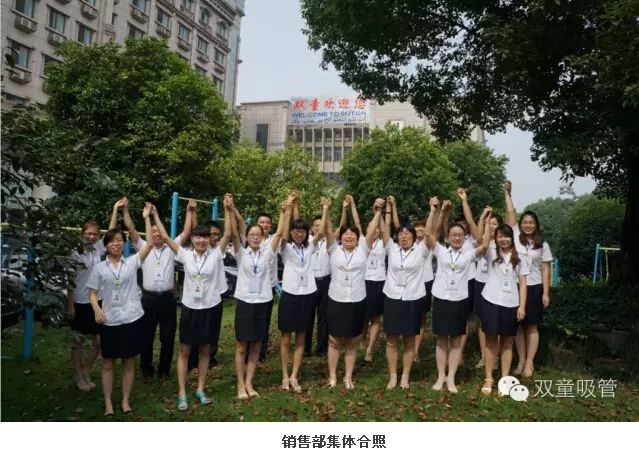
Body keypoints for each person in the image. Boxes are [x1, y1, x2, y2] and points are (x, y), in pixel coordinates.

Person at [158, 198, 232, 411]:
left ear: (210, 239)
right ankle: (182, 392)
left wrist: (227, 208)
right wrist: (153, 216)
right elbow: (165, 237)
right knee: (184, 351)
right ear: (192, 239)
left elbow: (228, 234)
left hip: (210, 307)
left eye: (205, 237)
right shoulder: (185, 255)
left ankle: (200, 388)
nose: (201, 240)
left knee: (205, 351)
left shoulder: (216, 255)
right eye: (198, 237)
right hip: (190, 308)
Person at [86, 203, 153, 416]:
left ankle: (125, 401)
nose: (116, 244)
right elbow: (92, 293)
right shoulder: (99, 268)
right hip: (110, 320)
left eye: (119, 240)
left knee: (128, 361)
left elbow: (150, 244)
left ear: (124, 244)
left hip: (132, 317)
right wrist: (96, 309)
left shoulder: (131, 263)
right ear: (106, 245)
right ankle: (108, 403)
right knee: (107, 363)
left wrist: (146, 217)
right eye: (112, 241)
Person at [425, 197, 489, 394]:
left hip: (459, 299)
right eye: (453, 234)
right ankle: (440, 376)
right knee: (441, 340)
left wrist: (486, 223)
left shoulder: (468, 254)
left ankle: (451, 378)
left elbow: (485, 246)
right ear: (448, 236)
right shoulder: (441, 252)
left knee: (455, 341)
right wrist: (433, 210)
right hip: (441, 298)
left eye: (460, 235)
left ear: (464, 237)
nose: (456, 238)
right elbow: (428, 234)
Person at [323, 197, 381, 388]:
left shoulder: (363, 249)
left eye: (352, 234)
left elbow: (371, 231)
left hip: (357, 299)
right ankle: (332, 376)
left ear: (358, 238)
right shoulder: (333, 249)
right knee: (334, 340)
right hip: (336, 299)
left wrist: (378, 212)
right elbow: (328, 230)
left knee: (352, 341)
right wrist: (326, 209)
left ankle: (348, 376)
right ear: (340, 237)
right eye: (345, 234)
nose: (349, 237)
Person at [134, 199, 193, 381]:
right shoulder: (144, 247)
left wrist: (189, 212)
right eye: (153, 232)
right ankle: (146, 370)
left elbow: (186, 233)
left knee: (167, 337)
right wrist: (146, 217)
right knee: (146, 336)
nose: (156, 234)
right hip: (148, 299)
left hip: (167, 299)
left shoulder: (170, 247)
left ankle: (164, 370)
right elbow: (132, 232)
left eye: (159, 231)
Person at [67, 199, 122, 391]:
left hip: (96, 302)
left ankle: (86, 371)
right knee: (78, 342)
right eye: (88, 233)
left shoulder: (97, 250)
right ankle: (78, 376)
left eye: (94, 234)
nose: (91, 237)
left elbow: (111, 230)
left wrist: (115, 209)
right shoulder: (74, 254)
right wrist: (70, 305)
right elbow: (69, 281)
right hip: (79, 302)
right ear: (82, 234)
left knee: (98, 341)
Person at [231, 199, 285, 399]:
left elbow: (279, 234)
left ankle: (249, 382)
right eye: (252, 234)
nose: (255, 237)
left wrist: (285, 210)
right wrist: (229, 209)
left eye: (258, 235)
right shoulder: (241, 253)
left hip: (263, 301)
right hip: (245, 302)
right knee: (241, 345)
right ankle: (240, 384)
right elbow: (232, 232)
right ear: (247, 237)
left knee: (256, 345)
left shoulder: (267, 253)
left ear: (263, 238)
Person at [381, 196, 431, 390]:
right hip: (392, 297)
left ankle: (405, 376)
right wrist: (382, 210)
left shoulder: (421, 250)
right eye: (401, 234)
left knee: (409, 340)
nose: (404, 237)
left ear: (413, 236)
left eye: (407, 234)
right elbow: (384, 229)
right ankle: (393, 375)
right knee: (392, 340)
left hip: (412, 298)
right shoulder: (392, 249)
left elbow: (431, 231)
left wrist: (433, 210)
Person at [505, 180, 553, 378]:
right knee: (517, 326)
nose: (527, 225)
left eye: (531, 223)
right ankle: (521, 361)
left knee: (531, 326)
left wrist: (545, 293)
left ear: (536, 225)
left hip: (533, 287)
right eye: (525, 222)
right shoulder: (515, 235)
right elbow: (510, 213)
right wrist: (508, 194)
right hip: (515, 286)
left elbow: (545, 270)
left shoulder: (543, 245)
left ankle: (530, 364)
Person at [278, 192, 322, 392]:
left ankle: (294, 375)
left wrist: (325, 210)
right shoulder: (286, 248)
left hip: (308, 294)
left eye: (302, 231)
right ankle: (284, 375)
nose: (299, 234)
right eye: (296, 231)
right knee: (286, 338)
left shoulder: (310, 247)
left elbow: (321, 232)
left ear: (306, 233)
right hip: (290, 294)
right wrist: (287, 210)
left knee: (301, 337)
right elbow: (282, 235)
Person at [479, 222, 529, 395]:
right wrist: (486, 223)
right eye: (500, 236)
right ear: (496, 238)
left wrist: (522, 306)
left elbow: (523, 284)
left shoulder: (520, 258)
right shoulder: (491, 252)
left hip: (511, 302)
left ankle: (505, 380)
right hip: (491, 300)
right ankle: (488, 379)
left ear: (512, 238)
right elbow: (483, 241)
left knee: (507, 342)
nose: (503, 239)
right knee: (490, 340)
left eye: (506, 236)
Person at [456, 189, 502, 370]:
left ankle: (496, 357)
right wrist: (465, 201)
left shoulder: (504, 242)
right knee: (483, 321)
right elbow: (470, 222)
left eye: (495, 224)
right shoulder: (482, 242)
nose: (492, 226)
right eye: (490, 223)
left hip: (498, 285)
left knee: (496, 320)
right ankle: (485, 356)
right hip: (481, 283)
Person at [363, 196, 396, 363]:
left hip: (379, 281)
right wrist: (376, 210)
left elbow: (385, 226)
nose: (375, 230)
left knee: (375, 317)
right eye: (372, 227)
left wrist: (381, 210)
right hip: (363, 281)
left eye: (377, 228)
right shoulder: (361, 242)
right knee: (363, 315)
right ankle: (361, 340)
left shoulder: (384, 243)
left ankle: (370, 348)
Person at [412, 213, 435, 363]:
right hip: (411, 283)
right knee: (410, 315)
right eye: (417, 226)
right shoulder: (408, 243)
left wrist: (435, 210)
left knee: (421, 317)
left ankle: (415, 351)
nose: (420, 229)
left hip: (426, 282)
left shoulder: (429, 243)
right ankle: (408, 347)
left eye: (423, 226)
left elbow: (435, 227)